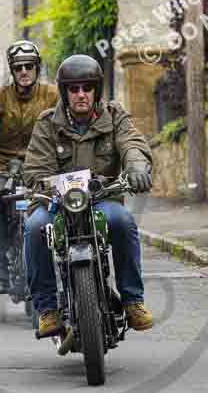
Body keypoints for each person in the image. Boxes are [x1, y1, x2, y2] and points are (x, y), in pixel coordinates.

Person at [23, 54, 154, 336]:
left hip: (101, 200)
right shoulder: (47, 123)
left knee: (122, 221)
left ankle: (133, 302)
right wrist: (49, 186)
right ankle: (47, 310)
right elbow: (34, 171)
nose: (81, 94)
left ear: (96, 90)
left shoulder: (115, 116)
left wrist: (137, 167)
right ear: (64, 92)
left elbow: (132, 143)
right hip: (57, 203)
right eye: (74, 89)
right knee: (34, 227)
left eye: (87, 88)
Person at [0, 41, 59, 292]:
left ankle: (63, 256)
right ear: (12, 70)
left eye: (29, 66)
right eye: (18, 67)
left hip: (42, 164)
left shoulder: (53, 95)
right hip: (4, 165)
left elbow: (67, 124)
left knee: (60, 199)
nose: (24, 71)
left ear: (37, 68)